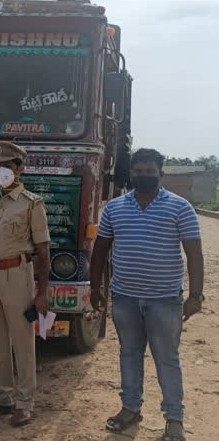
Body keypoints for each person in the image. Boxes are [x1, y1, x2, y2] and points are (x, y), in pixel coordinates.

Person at [89, 148, 203, 441]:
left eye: (150, 171)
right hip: (125, 297)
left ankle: (174, 421)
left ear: (161, 174)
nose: (144, 176)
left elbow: (194, 253)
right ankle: (130, 409)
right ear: (132, 174)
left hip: (164, 300)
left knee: (167, 359)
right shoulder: (114, 208)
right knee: (129, 354)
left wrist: (195, 295)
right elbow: (101, 249)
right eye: (138, 171)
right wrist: (95, 287)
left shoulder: (180, 208)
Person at [0, 141, 51, 427]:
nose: (1, 170)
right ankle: (0, 396)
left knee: (23, 341)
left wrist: (42, 292)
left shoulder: (32, 204)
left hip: (18, 275)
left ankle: (25, 402)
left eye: (6, 165)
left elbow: (43, 250)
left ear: (20, 168)